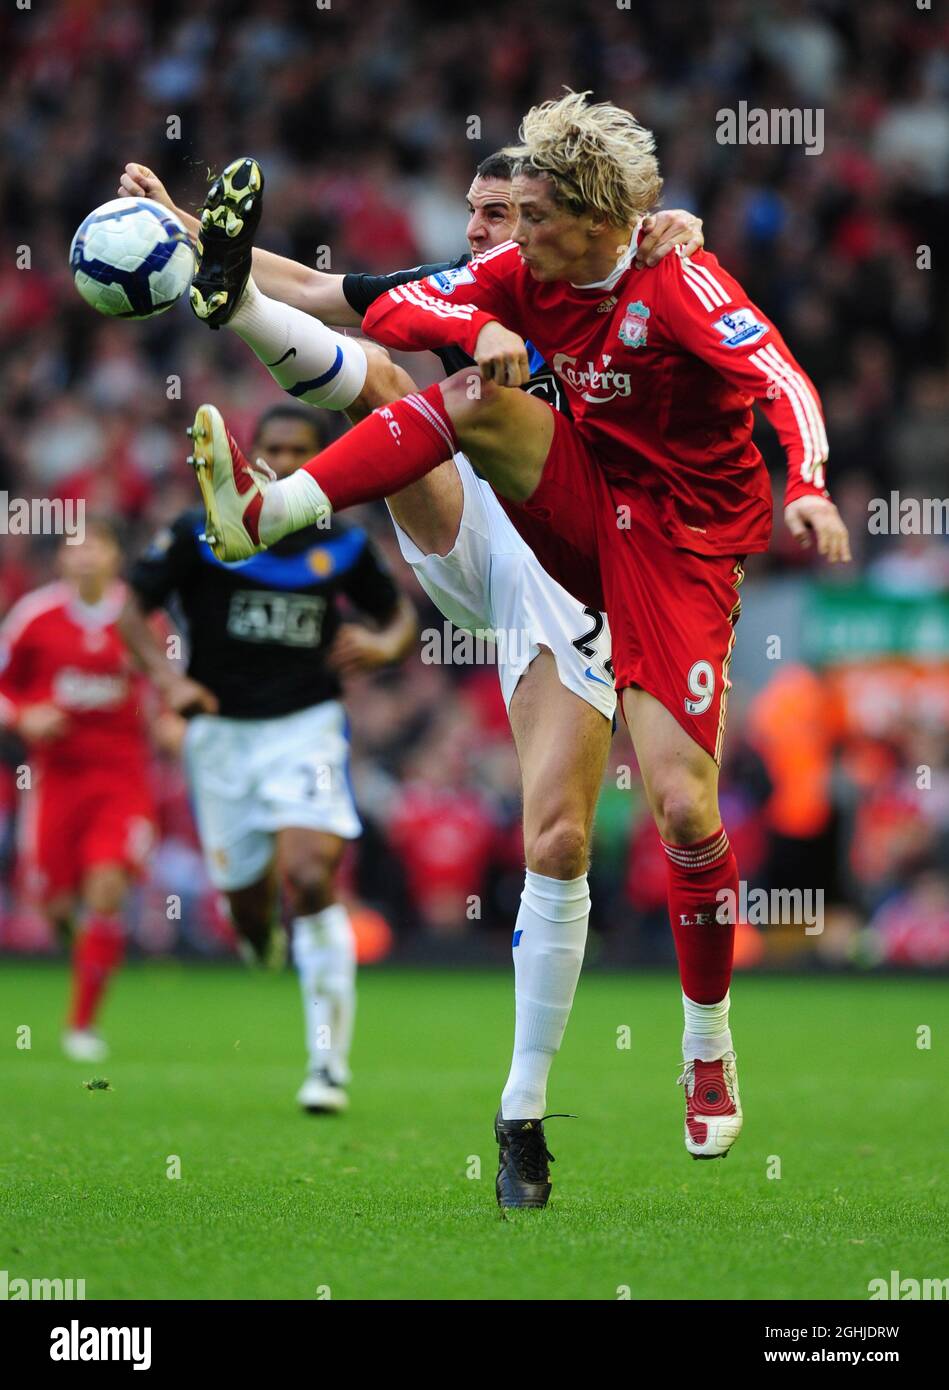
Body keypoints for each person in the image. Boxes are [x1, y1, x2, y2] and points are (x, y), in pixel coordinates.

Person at [118, 402, 417, 1113]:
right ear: (246, 457)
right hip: (220, 738)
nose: (283, 463)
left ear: (318, 463)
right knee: (250, 911)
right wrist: (168, 681)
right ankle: (260, 943)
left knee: (312, 876)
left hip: (306, 727)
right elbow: (131, 608)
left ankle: (328, 1068)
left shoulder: (340, 542)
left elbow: (397, 614)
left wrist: (384, 645)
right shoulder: (199, 532)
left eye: (299, 451)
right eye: (272, 449)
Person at [0, 521, 157, 1062]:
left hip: (121, 780)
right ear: (62, 561)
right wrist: (24, 715)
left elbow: (169, 680)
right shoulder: (33, 618)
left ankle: (82, 1024)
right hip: (55, 782)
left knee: (107, 888)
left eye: (97, 545)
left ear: (116, 556)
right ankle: (85, 948)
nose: (85, 556)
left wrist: (175, 722)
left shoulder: (141, 617)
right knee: (57, 906)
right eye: (75, 547)